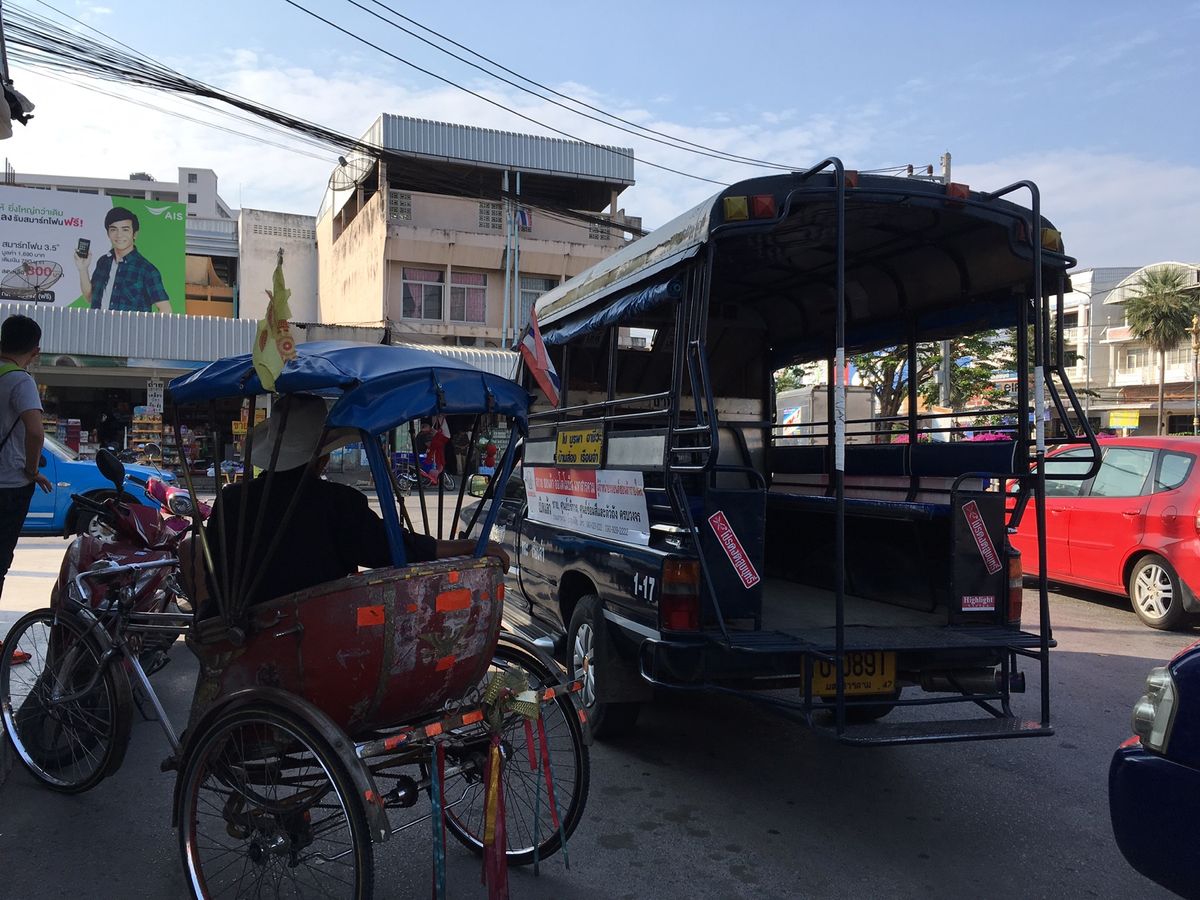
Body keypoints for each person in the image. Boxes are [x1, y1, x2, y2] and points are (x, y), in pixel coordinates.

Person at [201, 394, 507, 614]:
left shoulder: (230, 501)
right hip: (314, 634)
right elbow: (395, 547)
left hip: (240, 632)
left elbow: (212, 568)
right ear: (321, 460)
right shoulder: (337, 503)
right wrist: (466, 547)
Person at [0, 315, 52, 663]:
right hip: (9, 485)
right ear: (34, 350)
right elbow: (35, 431)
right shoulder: (20, 381)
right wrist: (32, 470)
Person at [74, 207, 172, 313]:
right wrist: (83, 269)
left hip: (129, 329)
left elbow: (165, 309)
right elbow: (90, 298)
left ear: (134, 234)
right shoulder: (103, 262)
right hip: (98, 327)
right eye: (113, 229)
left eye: (125, 229)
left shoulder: (147, 270)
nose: (119, 235)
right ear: (108, 234)